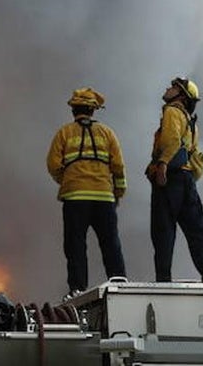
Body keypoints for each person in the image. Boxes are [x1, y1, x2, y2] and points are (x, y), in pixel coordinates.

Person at [46, 87, 127, 295]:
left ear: (74, 110)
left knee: (75, 246)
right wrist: (118, 192)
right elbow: (118, 166)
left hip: (75, 199)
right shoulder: (107, 133)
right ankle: (119, 284)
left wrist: (68, 181)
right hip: (104, 197)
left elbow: (53, 164)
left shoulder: (64, 133)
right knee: (110, 244)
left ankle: (77, 289)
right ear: (93, 110)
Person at [144, 76, 203, 283]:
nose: (168, 88)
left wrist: (162, 165)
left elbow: (171, 140)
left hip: (170, 180)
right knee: (196, 233)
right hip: (187, 181)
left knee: (163, 232)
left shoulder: (172, 112)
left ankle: (163, 283)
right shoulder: (191, 123)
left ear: (182, 96)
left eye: (174, 87)